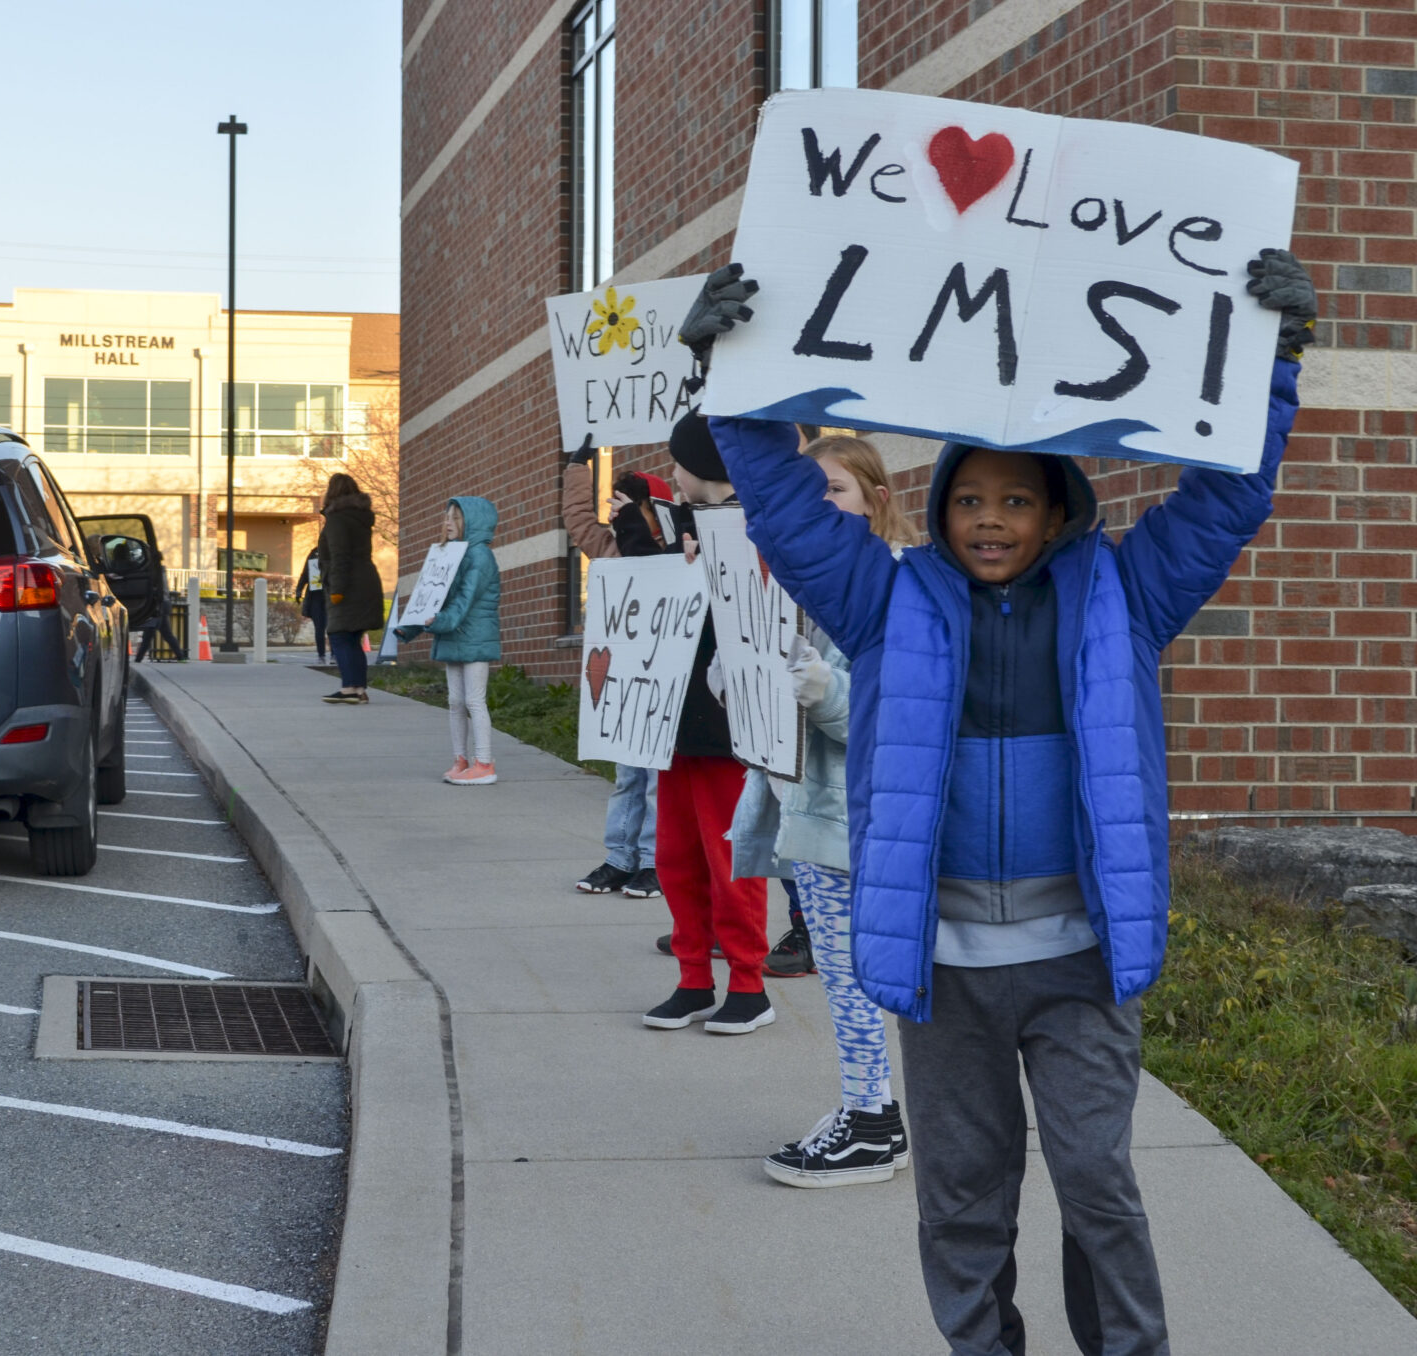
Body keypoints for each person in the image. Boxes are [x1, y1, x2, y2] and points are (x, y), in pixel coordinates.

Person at [684, 249, 1315, 1354]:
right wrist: (729, 378)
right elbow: (782, 508)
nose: (986, 521)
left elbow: (1227, 498)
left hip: (1078, 963)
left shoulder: (1129, 590)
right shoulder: (884, 598)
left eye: (1013, 501)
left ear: (1057, 512)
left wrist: (1268, 361)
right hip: (944, 968)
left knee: (1095, 1184)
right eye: (967, 499)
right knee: (963, 1198)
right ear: (937, 507)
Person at [726, 434, 919, 1187]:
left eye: (834, 490)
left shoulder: (896, 584)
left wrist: (820, 691)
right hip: (812, 813)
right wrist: (742, 683)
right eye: (811, 495)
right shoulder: (799, 589)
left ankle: (873, 1122)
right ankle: (869, 1113)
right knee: (843, 979)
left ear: (877, 498)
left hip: (854, 820)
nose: (821, 507)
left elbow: (893, 710)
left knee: (857, 980)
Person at [637, 413, 773, 1037]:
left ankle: (748, 986)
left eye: (680, 464)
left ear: (706, 468)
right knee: (676, 856)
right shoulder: (678, 529)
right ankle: (693, 977)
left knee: (730, 859)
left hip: (727, 727)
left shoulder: (758, 526)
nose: (672, 476)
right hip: (674, 718)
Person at [562, 445, 667, 898]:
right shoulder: (608, 547)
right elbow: (579, 520)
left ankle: (653, 862)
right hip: (624, 685)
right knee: (628, 776)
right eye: (615, 503)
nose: (618, 512)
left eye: (630, 505)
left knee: (656, 783)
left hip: (661, 685)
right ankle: (619, 857)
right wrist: (576, 469)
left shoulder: (672, 552)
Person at [395, 496, 502, 785]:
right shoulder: (449, 556)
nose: (448, 523)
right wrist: (411, 627)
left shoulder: (479, 556)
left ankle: (484, 763)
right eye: (447, 517)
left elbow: (464, 602)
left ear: (473, 522)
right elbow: (432, 598)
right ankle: (461, 760)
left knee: (474, 700)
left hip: (475, 636)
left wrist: (439, 622)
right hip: (453, 635)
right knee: (455, 701)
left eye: (455, 518)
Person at [317, 472, 382, 704]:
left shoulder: (338, 519)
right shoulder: (361, 518)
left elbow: (340, 556)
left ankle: (349, 689)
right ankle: (358, 689)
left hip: (348, 585)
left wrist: (337, 590)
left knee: (339, 636)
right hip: (366, 581)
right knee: (352, 638)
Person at [295, 545, 328, 662]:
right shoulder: (314, 553)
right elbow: (305, 574)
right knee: (319, 628)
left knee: (332, 628)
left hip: (331, 596)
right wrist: (299, 590)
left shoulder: (337, 552)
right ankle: (321, 655)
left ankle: (334, 654)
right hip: (316, 597)